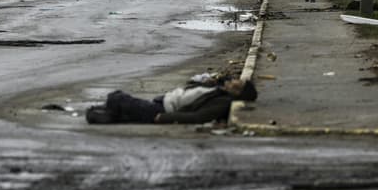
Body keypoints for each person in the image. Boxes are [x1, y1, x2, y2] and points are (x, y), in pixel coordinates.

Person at [85, 76, 257, 125]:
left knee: (116, 97)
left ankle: (110, 114)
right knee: (119, 101)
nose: (233, 80)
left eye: (238, 83)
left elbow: (198, 117)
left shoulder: (222, 101)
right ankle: (112, 114)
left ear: (238, 92)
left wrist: (165, 118)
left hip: (162, 110)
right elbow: (193, 86)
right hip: (161, 103)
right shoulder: (219, 90)